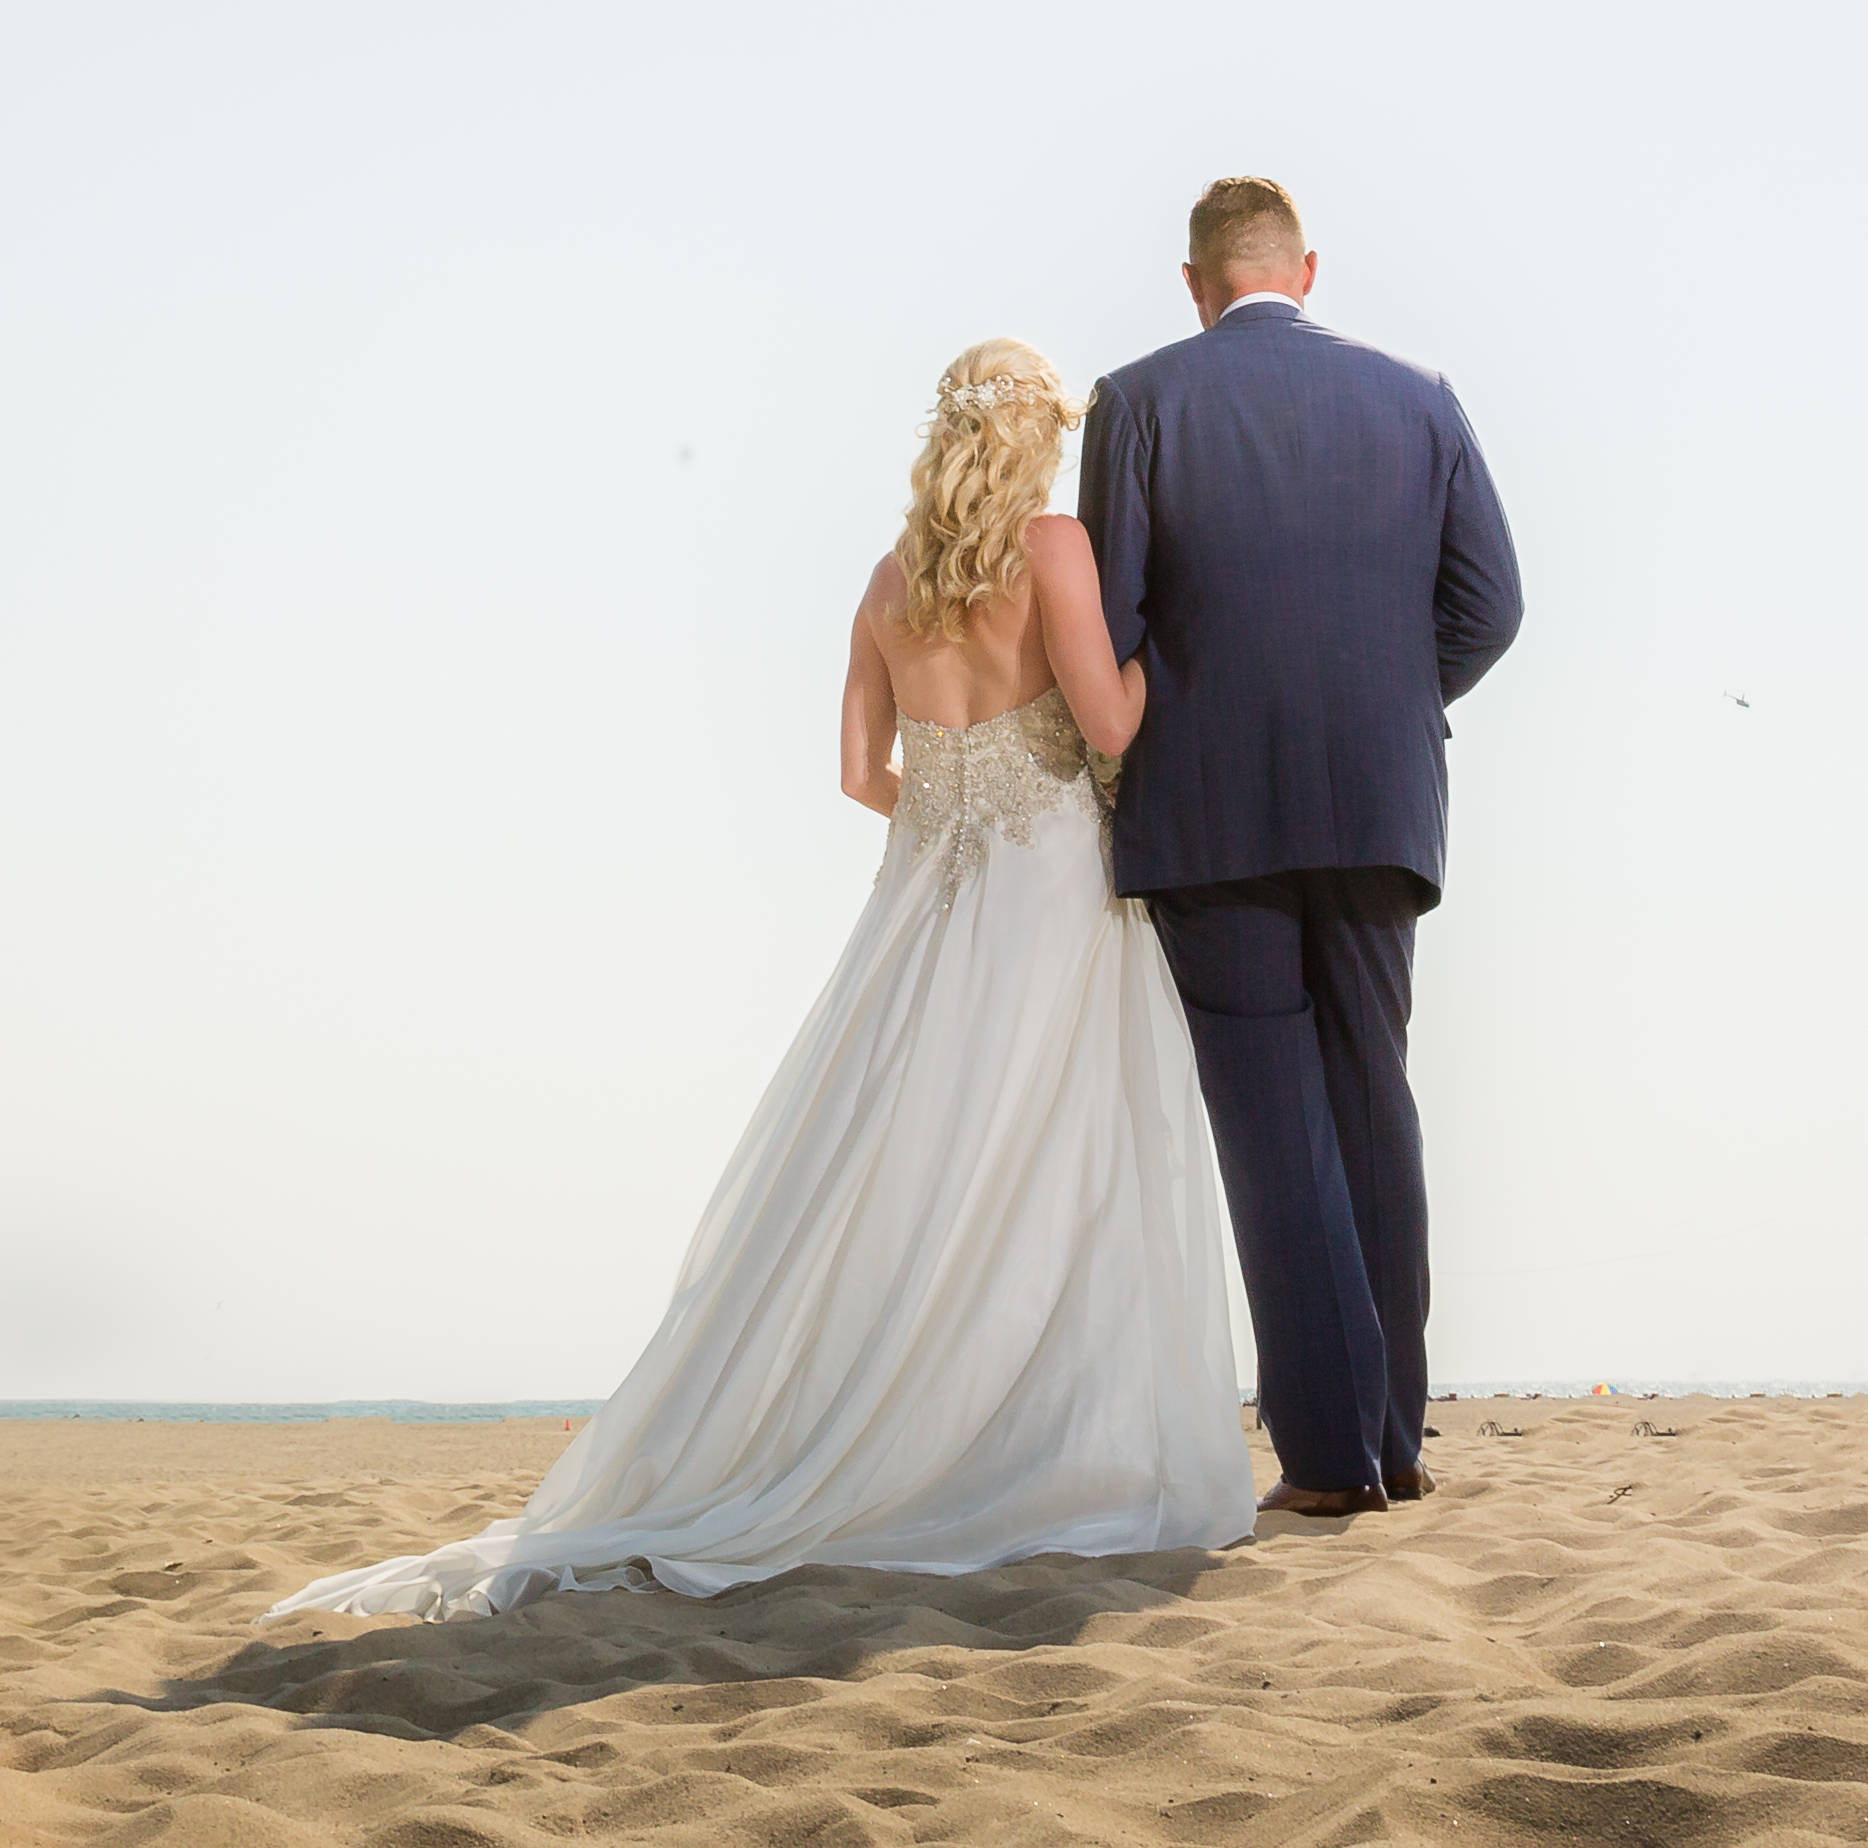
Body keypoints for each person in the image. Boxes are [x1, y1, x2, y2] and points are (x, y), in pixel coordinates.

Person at [271, 338, 1252, 1621]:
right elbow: (1111, 727)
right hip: (1053, 881)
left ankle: (897, 1424)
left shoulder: (889, 581)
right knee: (1055, 1152)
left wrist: (951, 810)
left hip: (928, 898)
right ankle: (1025, 1445)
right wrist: (1170, 656)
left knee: (905, 1153)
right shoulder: (1053, 548)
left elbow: (858, 773)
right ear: (1031, 441)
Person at [1080, 177, 1522, 1516]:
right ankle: (1393, 1434)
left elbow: (1105, 614)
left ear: (1193, 277)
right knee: (1371, 1106)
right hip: (1377, 801)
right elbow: (1490, 606)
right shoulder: (1419, 394)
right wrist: (1386, 700)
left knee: (1274, 1130)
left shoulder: (1138, 398)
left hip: (1208, 813)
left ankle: (1332, 1462)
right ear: (1305, 267)